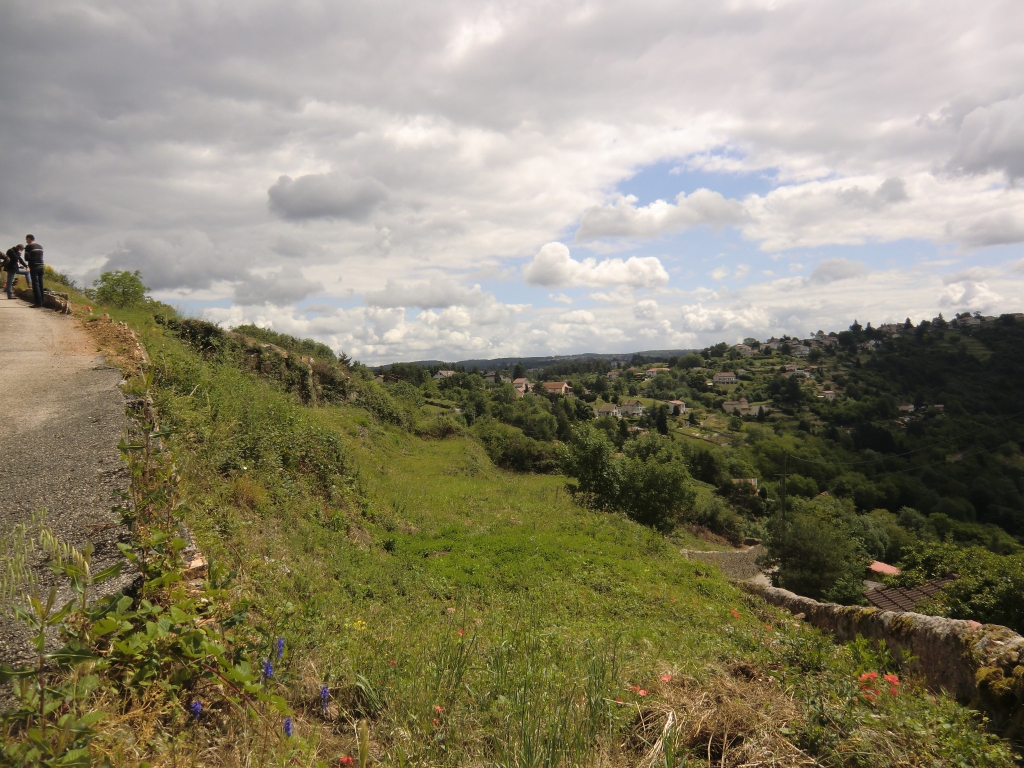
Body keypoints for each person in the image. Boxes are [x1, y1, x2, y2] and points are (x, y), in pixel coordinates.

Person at [23, 234, 44, 307]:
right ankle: (42, 301)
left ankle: (38, 303)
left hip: (34, 266)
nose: (26, 241)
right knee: (41, 284)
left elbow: (26, 258)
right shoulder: (40, 246)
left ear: (29, 239)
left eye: (26, 239)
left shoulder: (28, 247)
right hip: (41, 266)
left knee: (35, 284)